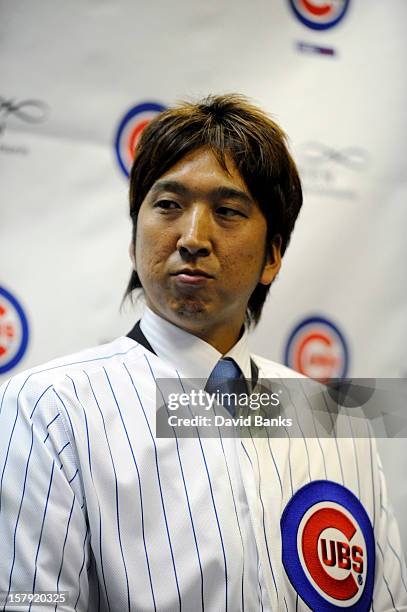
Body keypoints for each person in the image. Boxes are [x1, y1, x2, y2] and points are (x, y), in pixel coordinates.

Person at [0, 94, 406, 612]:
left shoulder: (337, 421)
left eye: (228, 211)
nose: (193, 237)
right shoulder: (49, 409)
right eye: (168, 205)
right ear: (134, 238)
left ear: (272, 256)